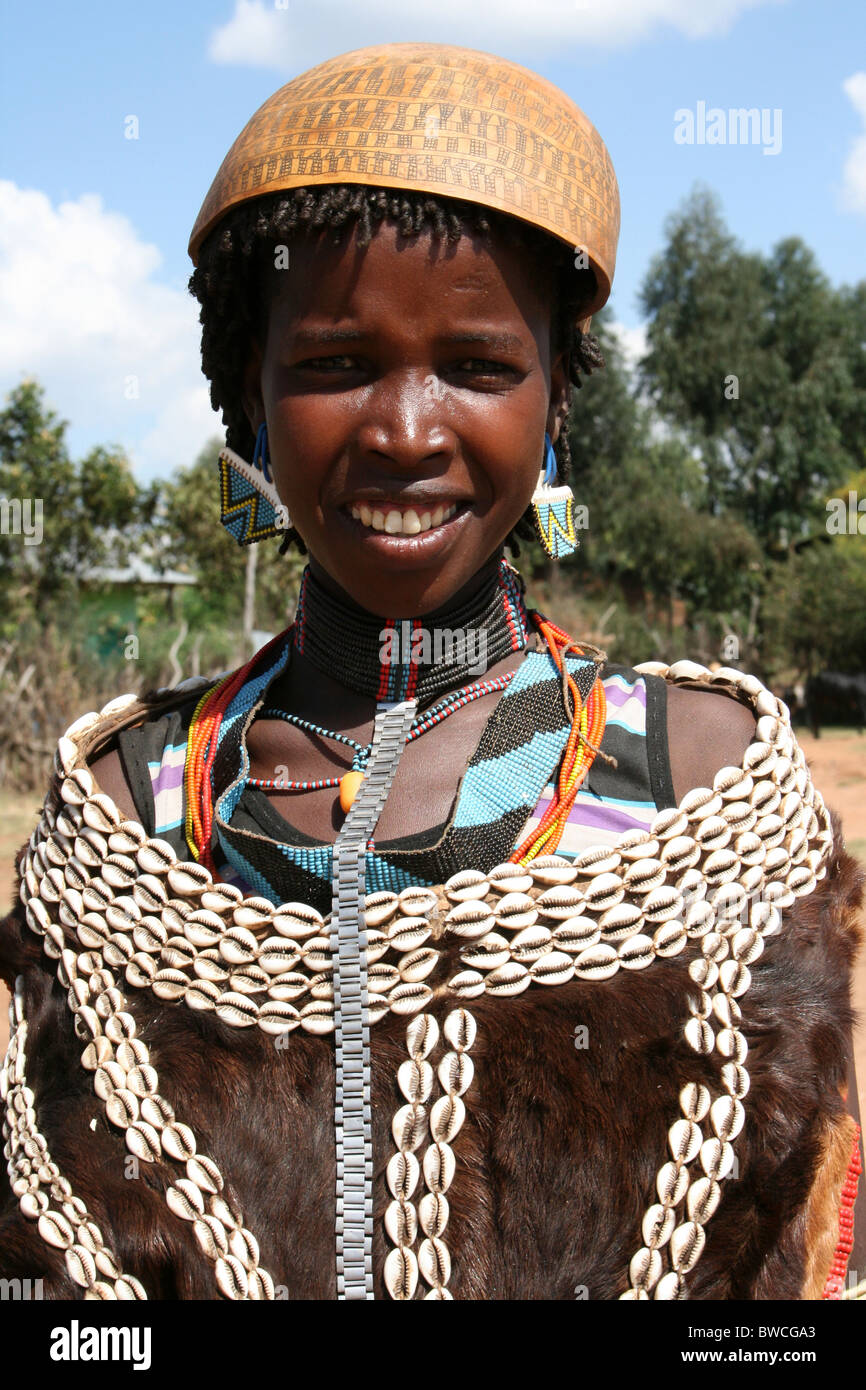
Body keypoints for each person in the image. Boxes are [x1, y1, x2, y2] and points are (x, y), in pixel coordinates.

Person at [0, 42, 862, 1302]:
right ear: (249, 392)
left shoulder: (704, 785)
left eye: (476, 366)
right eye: (336, 364)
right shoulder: (132, 815)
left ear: (557, 396)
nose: (406, 431)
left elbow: (809, 1280)